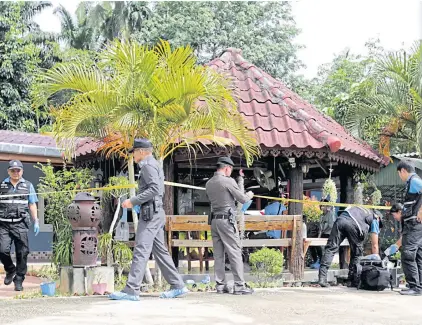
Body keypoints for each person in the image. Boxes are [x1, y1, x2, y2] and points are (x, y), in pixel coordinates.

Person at [109, 139, 188, 301]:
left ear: (143, 151)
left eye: (135, 151)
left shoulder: (147, 166)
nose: (133, 155)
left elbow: (155, 189)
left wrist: (134, 201)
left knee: (140, 250)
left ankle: (131, 290)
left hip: (150, 215)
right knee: (161, 252)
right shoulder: (153, 165)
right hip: (156, 212)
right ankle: (177, 285)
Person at [206, 156, 254, 295]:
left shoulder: (209, 183)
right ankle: (239, 285)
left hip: (214, 221)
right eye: (230, 170)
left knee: (219, 255)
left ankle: (220, 285)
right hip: (227, 221)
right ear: (227, 168)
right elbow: (242, 199)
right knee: (234, 252)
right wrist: (249, 194)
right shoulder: (227, 181)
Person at [318, 205, 382, 287]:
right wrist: (377, 260)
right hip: (354, 225)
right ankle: (352, 281)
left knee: (331, 248)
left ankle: (322, 278)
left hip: (340, 220)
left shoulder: (362, 209)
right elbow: (375, 245)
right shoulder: (375, 218)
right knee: (356, 254)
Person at [0, 160, 39, 291]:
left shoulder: (28, 185)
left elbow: (32, 204)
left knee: (22, 253)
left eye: (18, 170)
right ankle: (10, 270)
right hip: (3, 224)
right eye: (13, 170)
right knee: (2, 250)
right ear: (8, 171)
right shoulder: (2, 185)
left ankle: (19, 280)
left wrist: (36, 221)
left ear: (22, 171)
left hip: (21, 224)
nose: (15, 173)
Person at [393, 161, 422, 295]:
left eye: (399, 174)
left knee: (408, 254)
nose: (400, 177)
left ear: (403, 171)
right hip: (416, 226)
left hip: (415, 225)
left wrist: (421, 210)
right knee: (418, 256)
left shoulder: (414, 180)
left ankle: (414, 287)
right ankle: (419, 286)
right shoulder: (412, 182)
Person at [309, 200, 337, 269]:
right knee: (312, 244)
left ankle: (321, 261)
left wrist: (323, 230)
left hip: (329, 234)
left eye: (323, 205)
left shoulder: (330, 214)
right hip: (322, 233)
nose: (322, 207)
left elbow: (331, 225)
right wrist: (319, 235)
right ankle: (316, 260)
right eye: (321, 205)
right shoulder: (321, 216)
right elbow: (320, 228)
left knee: (319, 246)